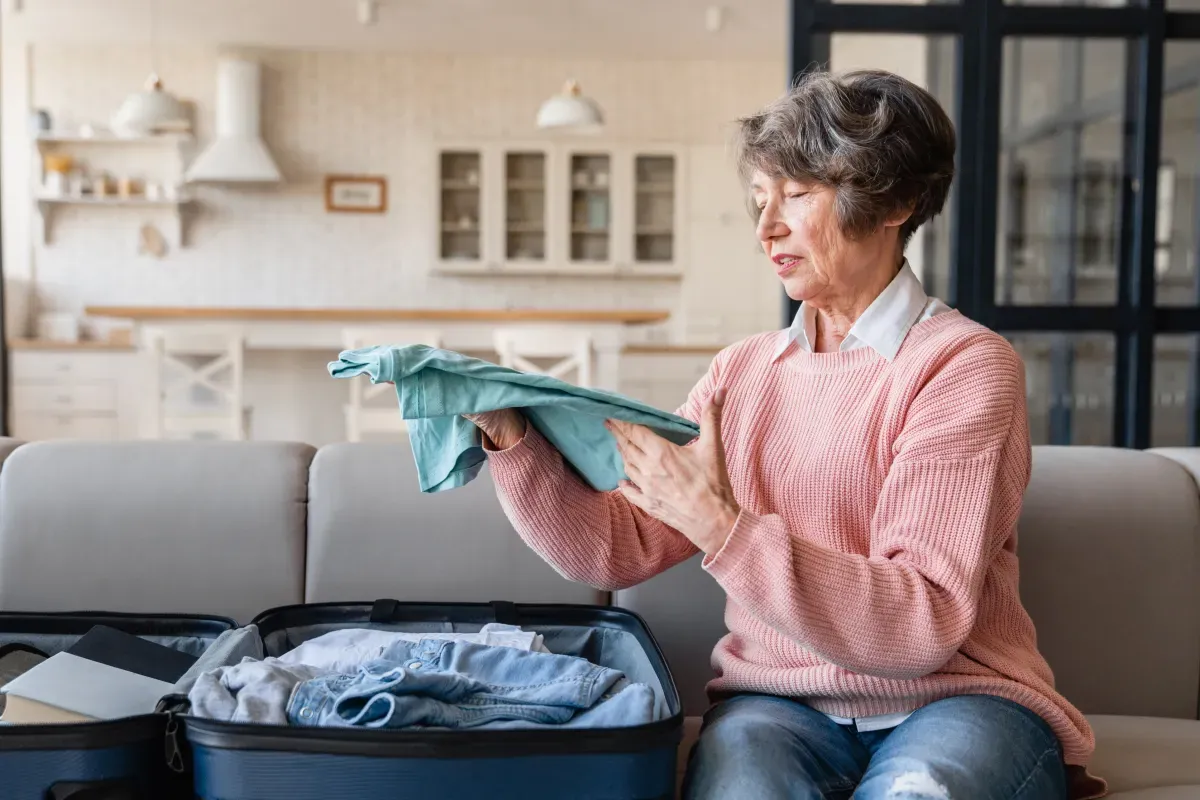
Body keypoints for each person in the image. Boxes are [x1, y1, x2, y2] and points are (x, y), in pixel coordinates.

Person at [465, 69, 1101, 800]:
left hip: (957, 699)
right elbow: (616, 546)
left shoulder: (963, 366)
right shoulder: (743, 372)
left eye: (797, 196)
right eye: (762, 200)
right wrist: (510, 435)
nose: (767, 227)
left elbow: (921, 620)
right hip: (778, 705)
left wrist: (722, 526)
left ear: (895, 200)